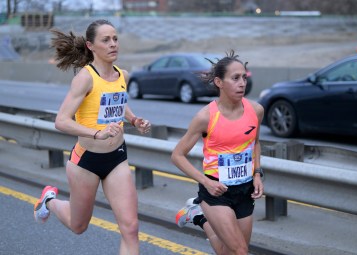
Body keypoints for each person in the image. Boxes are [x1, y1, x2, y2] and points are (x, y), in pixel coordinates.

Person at [33, 19, 150, 255]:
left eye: (115, 39)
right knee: (79, 226)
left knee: (131, 228)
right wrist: (97, 133)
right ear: (91, 46)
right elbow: (61, 121)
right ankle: (49, 201)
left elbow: (116, 101)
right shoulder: (85, 78)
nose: (113, 44)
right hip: (86, 161)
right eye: (105, 40)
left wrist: (135, 120)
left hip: (117, 158)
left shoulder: (122, 75)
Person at [171, 50, 264, 255]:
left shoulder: (256, 110)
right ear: (219, 82)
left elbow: (255, 143)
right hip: (216, 191)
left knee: (228, 252)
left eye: (243, 77)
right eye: (235, 78)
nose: (242, 83)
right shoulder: (205, 117)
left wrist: (257, 174)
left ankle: (199, 217)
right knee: (240, 251)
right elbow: (177, 155)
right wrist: (206, 182)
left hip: (244, 189)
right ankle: (202, 209)